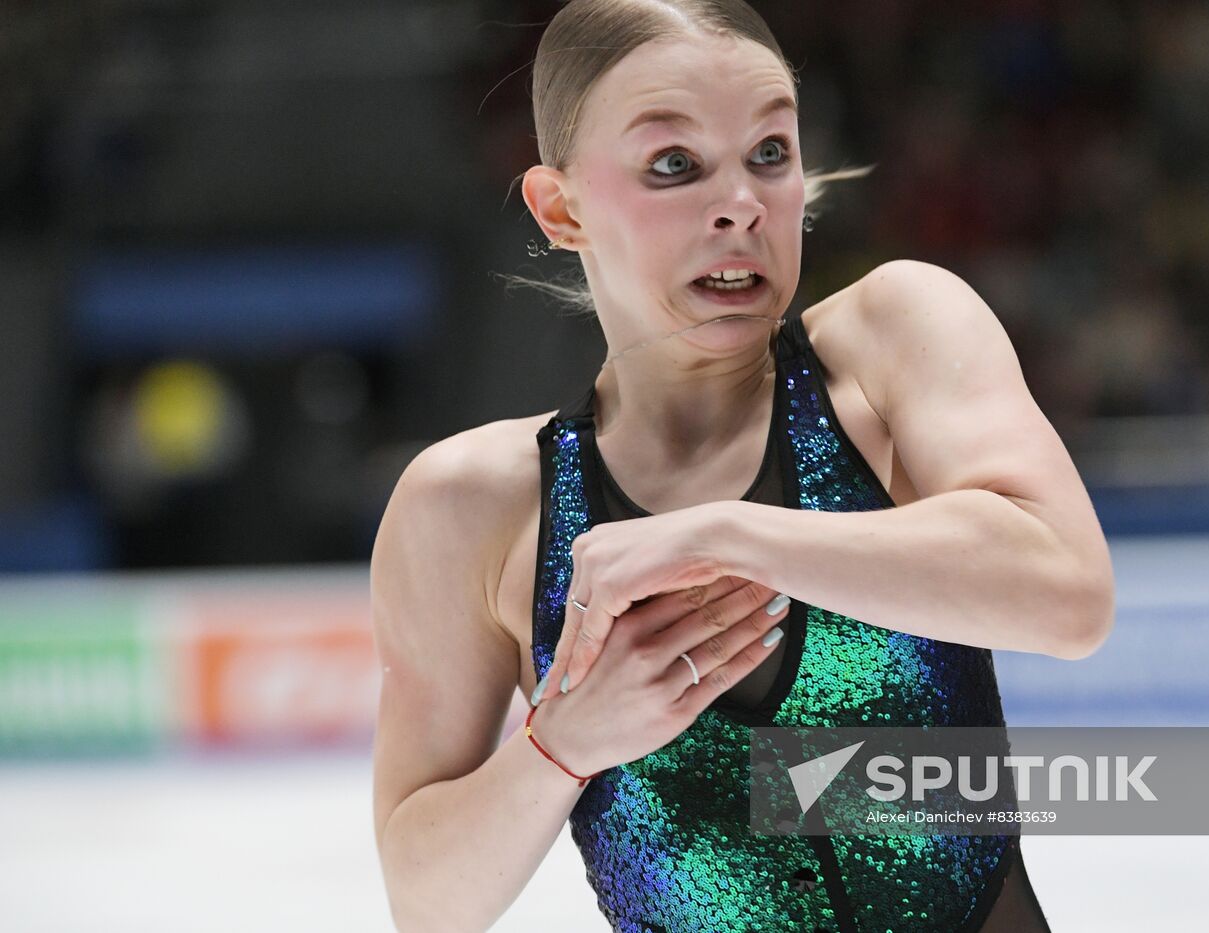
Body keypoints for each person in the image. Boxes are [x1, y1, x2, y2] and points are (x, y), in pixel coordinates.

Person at [370, 2, 1114, 931]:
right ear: (562, 209)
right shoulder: (473, 506)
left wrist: (727, 533)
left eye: (770, 152)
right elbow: (426, 901)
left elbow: (1068, 591)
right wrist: (561, 746)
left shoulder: (892, 345)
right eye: (674, 165)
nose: (741, 204)